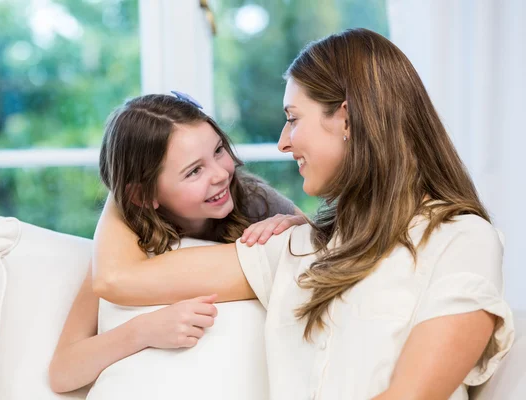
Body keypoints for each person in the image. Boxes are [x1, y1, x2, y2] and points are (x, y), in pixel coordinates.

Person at [91, 29, 514, 400]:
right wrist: (134, 174)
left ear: (346, 119)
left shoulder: (459, 238)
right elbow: (118, 278)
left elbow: (414, 394)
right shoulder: (298, 248)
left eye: (293, 120)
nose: (282, 142)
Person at [48, 93, 306, 393]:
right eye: (194, 170)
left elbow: (325, 246)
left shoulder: (252, 200)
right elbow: (62, 372)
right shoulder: (126, 244)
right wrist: (145, 330)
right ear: (142, 195)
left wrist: (295, 226)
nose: (221, 174)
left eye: (219, 150)